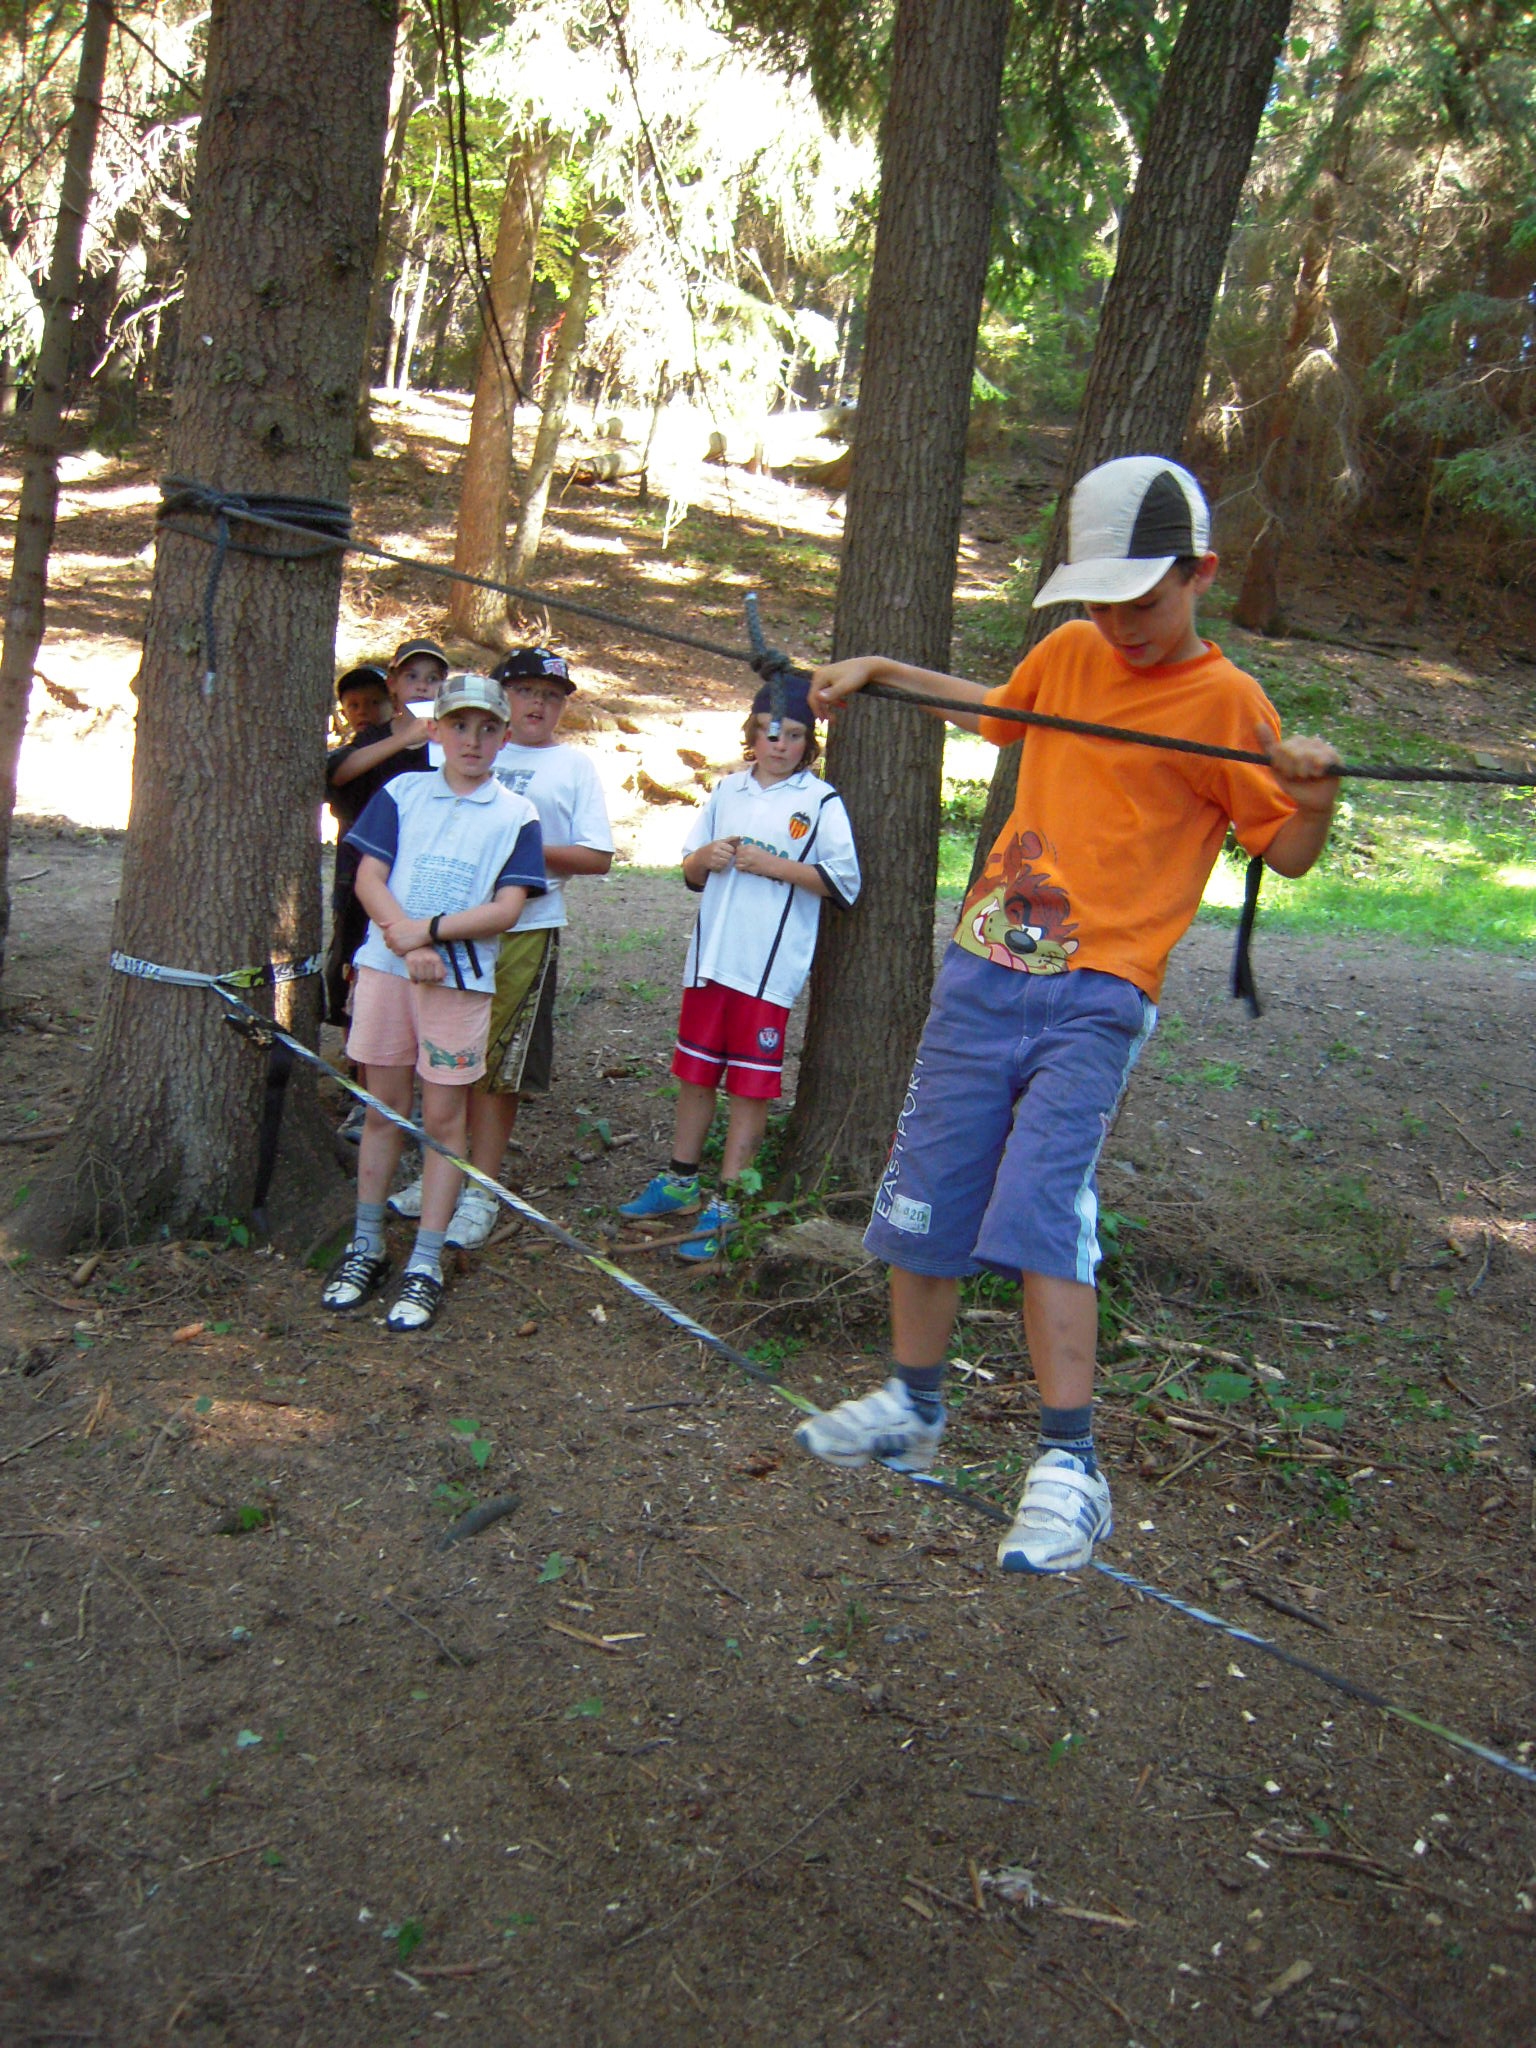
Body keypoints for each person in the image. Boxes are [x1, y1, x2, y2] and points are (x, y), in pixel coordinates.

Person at [793, 456, 1342, 1573]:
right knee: (927, 1187)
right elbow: (995, 711)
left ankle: (1070, 1466)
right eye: (1100, 602)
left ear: (1200, 575)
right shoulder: (1070, 652)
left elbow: (1283, 852)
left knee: (1043, 1203)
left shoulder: (1228, 704)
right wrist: (879, 667)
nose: (1119, 624)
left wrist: (1317, 794)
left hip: (1102, 991)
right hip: (983, 967)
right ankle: (913, 1404)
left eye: (1143, 601)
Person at [321, 672, 546, 1333]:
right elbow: (369, 876)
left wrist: (431, 933)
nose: (472, 740)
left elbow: (506, 908)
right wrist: (401, 935)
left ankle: (426, 1259)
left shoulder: (516, 815)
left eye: (487, 728)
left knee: (445, 1120)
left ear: (504, 736)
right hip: (385, 973)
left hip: (459, 983)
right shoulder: (402, 792)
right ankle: (366, 1243)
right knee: (383, 1110)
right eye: (459, 726)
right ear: (436, 730)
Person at [618, 675, 861, 1260]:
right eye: (770, 733)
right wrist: (707, 856)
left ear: (809, 741)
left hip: (766, 970)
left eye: (795, 734)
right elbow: (691, 870)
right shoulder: (727, 790)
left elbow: (843, 882)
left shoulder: (820, 800)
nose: (781, 745)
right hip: (711, 961)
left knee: (750, 1086)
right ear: (752, 734)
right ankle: (680, 1181)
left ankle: (727, 1204)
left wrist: (774, 865)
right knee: (695, 1073)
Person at [388, 646, 615, 1248]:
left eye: (552, 696)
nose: (538, 704)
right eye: (526, 691)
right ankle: (439, 1170)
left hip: (525, 929)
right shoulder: (467, 743)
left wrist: (514, 844)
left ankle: (480, 1189)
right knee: (441, 1055)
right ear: (503, 699)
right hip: (444, 926)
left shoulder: (572, 766)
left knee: (499, 1065)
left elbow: (597, 855)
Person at [322, 639, 448, 1029]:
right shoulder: (375, 737)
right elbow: (337, 774)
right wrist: (402, 740)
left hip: (424, 873)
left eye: (433, 678)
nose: (422, 686)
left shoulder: (450, 739)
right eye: (412, 676)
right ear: (392, 683)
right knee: (355, 958)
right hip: (363, 874)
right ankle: (356, 1045)